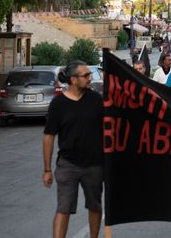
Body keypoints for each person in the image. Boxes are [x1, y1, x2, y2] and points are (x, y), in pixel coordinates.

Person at [42, 61, 104, 238]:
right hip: (68, 164)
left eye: (89, 74)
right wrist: (47, 169)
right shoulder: (58, 104)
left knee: (95, 206)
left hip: (94, 164)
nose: (89, 78)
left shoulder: (95, 99)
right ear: (73, 79)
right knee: (64, 208)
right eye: (85, 75)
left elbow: (109, 127)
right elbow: (49, 136)